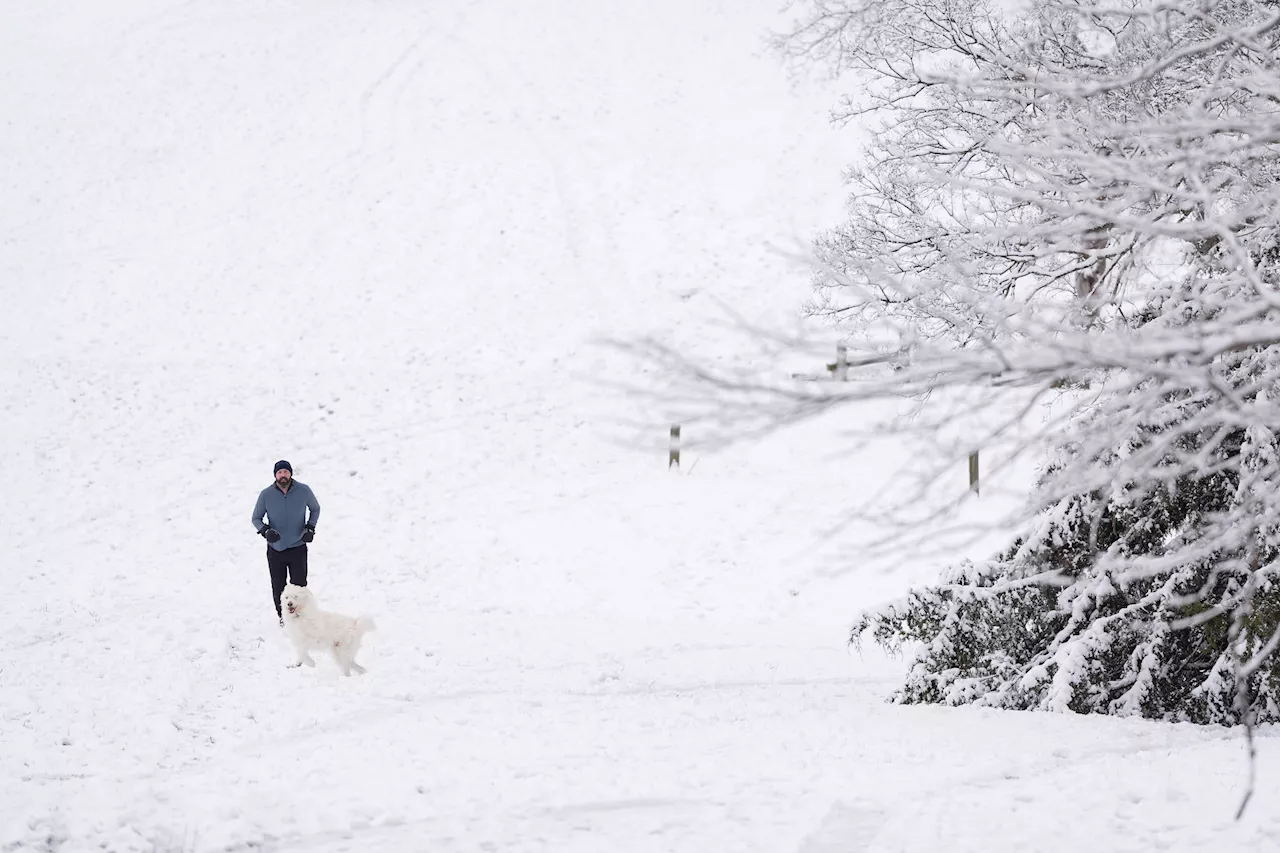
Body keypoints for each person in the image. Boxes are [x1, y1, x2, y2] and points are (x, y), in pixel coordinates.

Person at [252, 460, 321, 625]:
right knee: (279, 586)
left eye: (285, 472)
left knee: (299, 586)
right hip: (276, 549)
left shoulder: (303, 491)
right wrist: (266, 531)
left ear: (290, 473)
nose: (283, 475)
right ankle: (283, 617)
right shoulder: (266, 495)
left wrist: (310, 528)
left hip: (298, 547)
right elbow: (256, 518)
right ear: (275, 475)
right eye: (280, 472)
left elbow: (315, 508)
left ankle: (301, 616)